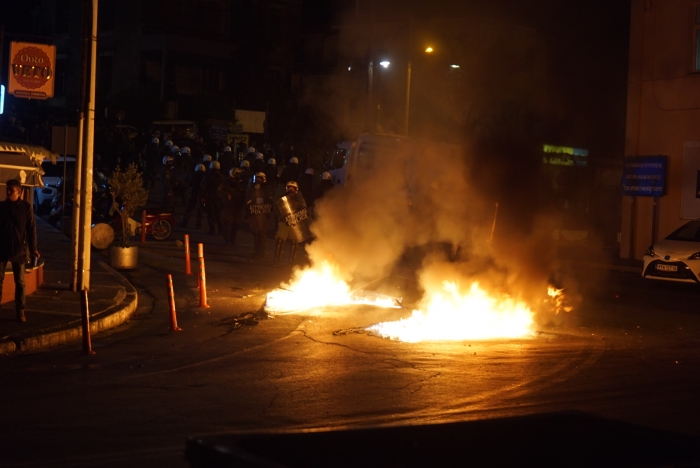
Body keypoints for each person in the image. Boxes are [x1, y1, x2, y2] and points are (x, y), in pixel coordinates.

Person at [0, 179, 39, 322]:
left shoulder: (26, 208)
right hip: (2, 248)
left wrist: (33, 248)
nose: (8, 192)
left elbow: (31, 229)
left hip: (19, 249)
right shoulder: (2, 207)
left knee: (20, 281)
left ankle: (20, 310)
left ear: (19, 192)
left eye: (11, 190)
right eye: (7, 189)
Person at [274, 180, 304, 266]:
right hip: (284, 222)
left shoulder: (299, 199)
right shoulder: (282, 199)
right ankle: (276, 260)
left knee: (295, 241)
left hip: (295, 223)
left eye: (292, 188)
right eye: (289, 188)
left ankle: (291, 262)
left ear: (296, 189)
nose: (290, 190)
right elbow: (277, 209)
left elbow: (303, 209)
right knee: (280, 239)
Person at [245, 172, 272, 258]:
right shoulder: (252, 187)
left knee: (261, 233)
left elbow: (269, 200)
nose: (258, 180)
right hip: (254, 213)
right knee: (255, 232)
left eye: (260, 178)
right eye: (257, 178)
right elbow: (248, 198)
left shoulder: (267, 188)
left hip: (263, 214)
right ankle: (256, 252)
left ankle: (261, 252)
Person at [218, 168, 245, 245]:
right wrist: (226, 194)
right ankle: (226, 239)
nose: (239, 176)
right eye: (237, 174)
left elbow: (245, 192)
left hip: (238, 206)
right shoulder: (226, 183)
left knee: (236, 224)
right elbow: (219, 191)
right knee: (227, 223)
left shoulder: (240, 183)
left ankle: (232, 240)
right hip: (228, 206)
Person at [199, 161, 224, 235]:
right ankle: (221, 230)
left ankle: (212, 230)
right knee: (219, 214)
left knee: (211, 214)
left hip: (210, 197)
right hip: (219, 197)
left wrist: (202, 196)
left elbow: (203, 187)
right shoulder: (222, 176)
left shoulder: (207, 176)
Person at [180, 164, 207, 229]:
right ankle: (198, 224)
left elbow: (189, 184)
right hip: (201, 195)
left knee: (189, 210)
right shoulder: (205, 176)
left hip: (194, 194)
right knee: (200, 211)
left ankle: (184, 223)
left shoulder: (193, 175)